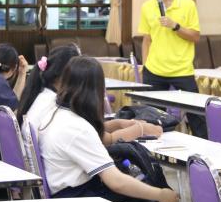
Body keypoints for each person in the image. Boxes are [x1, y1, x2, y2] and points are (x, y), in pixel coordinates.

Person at [38, 56, 185, 202]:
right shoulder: (77, 129)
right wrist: (160, 194)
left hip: (67, 195)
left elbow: (96, 134)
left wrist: (119, 123)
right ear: (95, 91)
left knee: (140, 197)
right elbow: (116, 182)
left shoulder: (56, 113)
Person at [17, 45, 162, 145]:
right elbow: (105, 139)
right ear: (66, 74)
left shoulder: (43, 95)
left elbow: (90, 129)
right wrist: (141, 129)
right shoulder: (57, 107)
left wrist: (119, 123)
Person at [138, 0, 206, 138]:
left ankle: (206, 150)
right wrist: (145, 66)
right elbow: (147, 40)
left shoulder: (188, 4)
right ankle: (155, 152)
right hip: (154, 70)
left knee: (198, 118)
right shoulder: (147, 6)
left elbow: (195, 36)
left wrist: (175, 26)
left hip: (182, 70)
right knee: (152, 119)